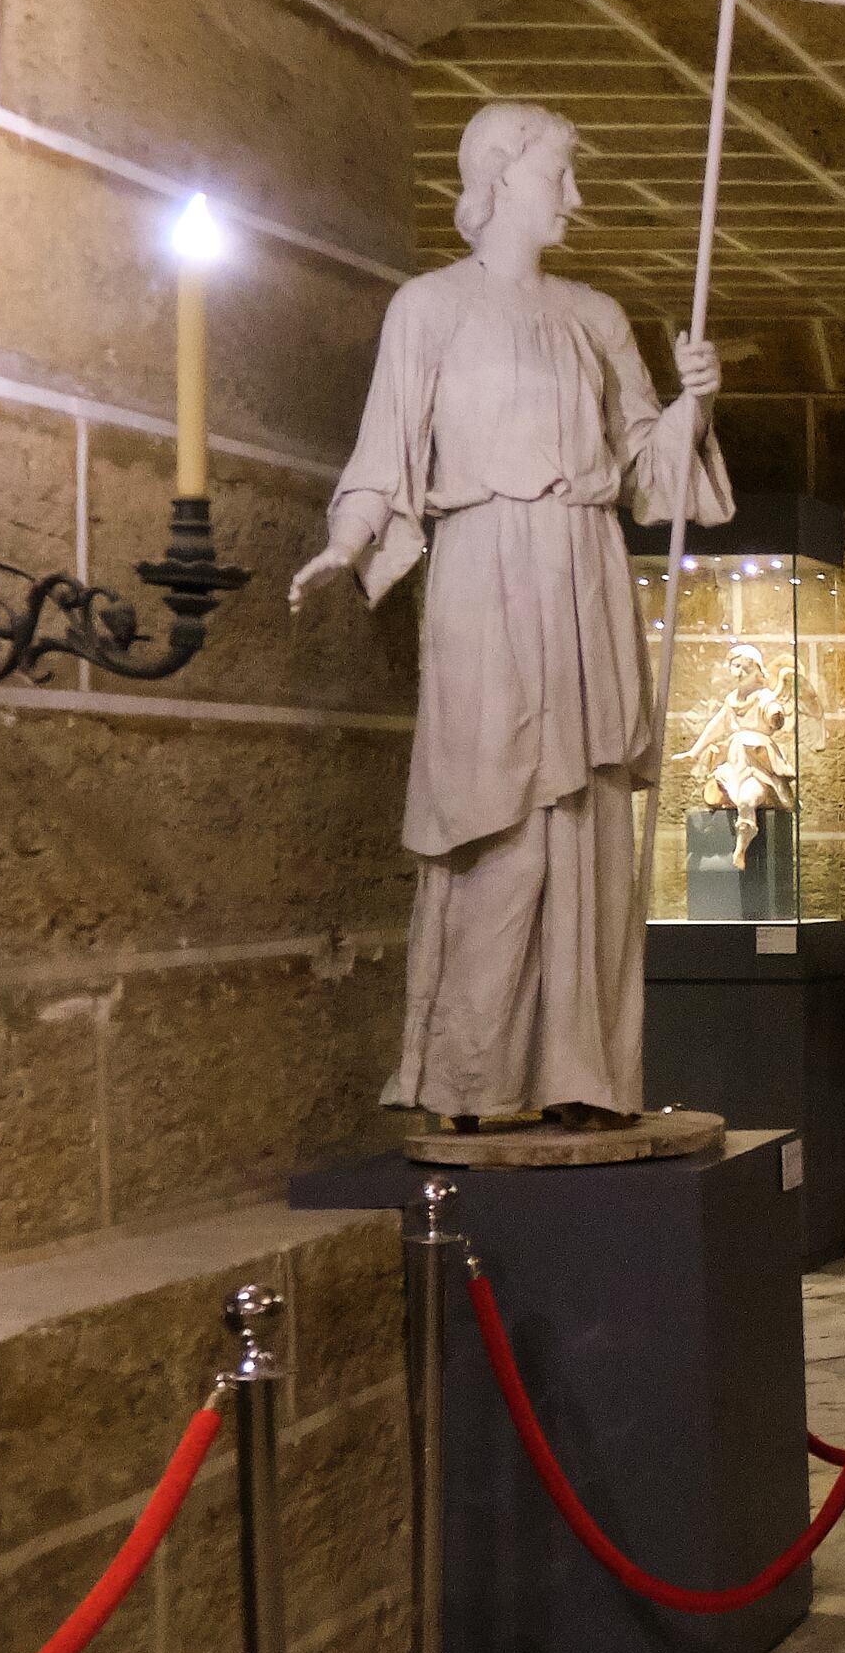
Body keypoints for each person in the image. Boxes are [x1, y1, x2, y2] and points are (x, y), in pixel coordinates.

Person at [294, 104, 726, 1125]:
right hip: (484, 573)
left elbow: (643, 468)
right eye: (561, 175)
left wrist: (692, 406)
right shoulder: (428, 309)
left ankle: (585, 1073)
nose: (575, 198)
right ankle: (477, 1079)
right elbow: (384, 452)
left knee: (583, 824)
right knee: (495, 822)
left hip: (581, 568)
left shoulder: (593, 314)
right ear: (500, 175)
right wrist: (345, 545)